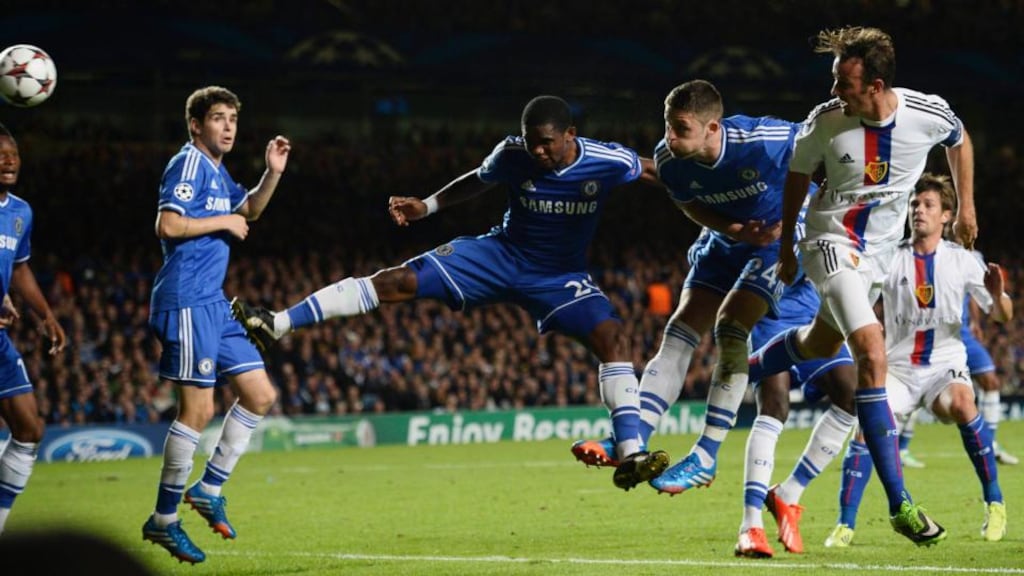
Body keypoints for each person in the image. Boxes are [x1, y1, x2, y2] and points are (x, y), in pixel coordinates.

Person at [231, 95, 669, 491]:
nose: (539, 151)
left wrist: (706, 191)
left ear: (570, 135)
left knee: (613, 339)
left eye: (548, 143)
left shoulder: (605, 159)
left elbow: (656, 170)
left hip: (559, 276)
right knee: (398, 281)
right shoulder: (514, 154)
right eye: (532, 142)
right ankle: (278, 323)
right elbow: (478, 179)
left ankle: (630, 453)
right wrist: (428, 205)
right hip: (500, 255)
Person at [747, 25, 975, 546]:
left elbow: (960, 141)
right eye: (834, 79)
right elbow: (797, 178)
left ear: (874, 85)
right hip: (829, 240)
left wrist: (967, 206)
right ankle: (901, 506)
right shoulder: (824, 122)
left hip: (875, 254)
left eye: (843, 82)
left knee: (817, 343)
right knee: (871, 354)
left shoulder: (926, 114)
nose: (834, 91)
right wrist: (787, 251)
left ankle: (748, 365)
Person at [570, 80, 799, 487]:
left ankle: (705, 455)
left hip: (776, 242)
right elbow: (687, 202)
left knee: (730, 330)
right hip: (727, 239)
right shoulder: (670, 159)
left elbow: (825, 154)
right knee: (677, 332)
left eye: (680, 128)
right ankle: (632, 439)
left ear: (713, 128)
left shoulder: (766, 139)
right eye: (666, 126)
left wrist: (804, 218)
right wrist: (732, 228)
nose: (669, 138)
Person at [141, 86, 291, 564]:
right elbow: (168, 224)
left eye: (232, 119)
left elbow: (249, 210)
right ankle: (163, 519)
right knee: (197, 413)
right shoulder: (186, 164)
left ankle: (208, 489)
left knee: (260, 396)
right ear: (196, 125)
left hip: (213, 303)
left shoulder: (216, 169)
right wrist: (222, 221)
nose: (228, 127)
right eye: (218, 118)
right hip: (185, 300)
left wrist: (271, 173)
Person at [824, 173, 1009, 547]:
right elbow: (858, 296)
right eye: (914, 205)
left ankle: (995, 502)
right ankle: (845, 525)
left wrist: (999, 294)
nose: (918, 211)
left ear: (946, 216)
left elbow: (1001, 315)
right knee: (865, 428)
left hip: (945, 365)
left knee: (961, 402)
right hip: (900, 368)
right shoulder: (889, 257)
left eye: (927, 205)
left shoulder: (964, 260)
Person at [0, 123, 67, 536]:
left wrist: (45, 315)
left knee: (29, 428)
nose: (9, 160)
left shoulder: (20, 212)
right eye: (0, 153)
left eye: (14, 153)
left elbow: (19, 267)